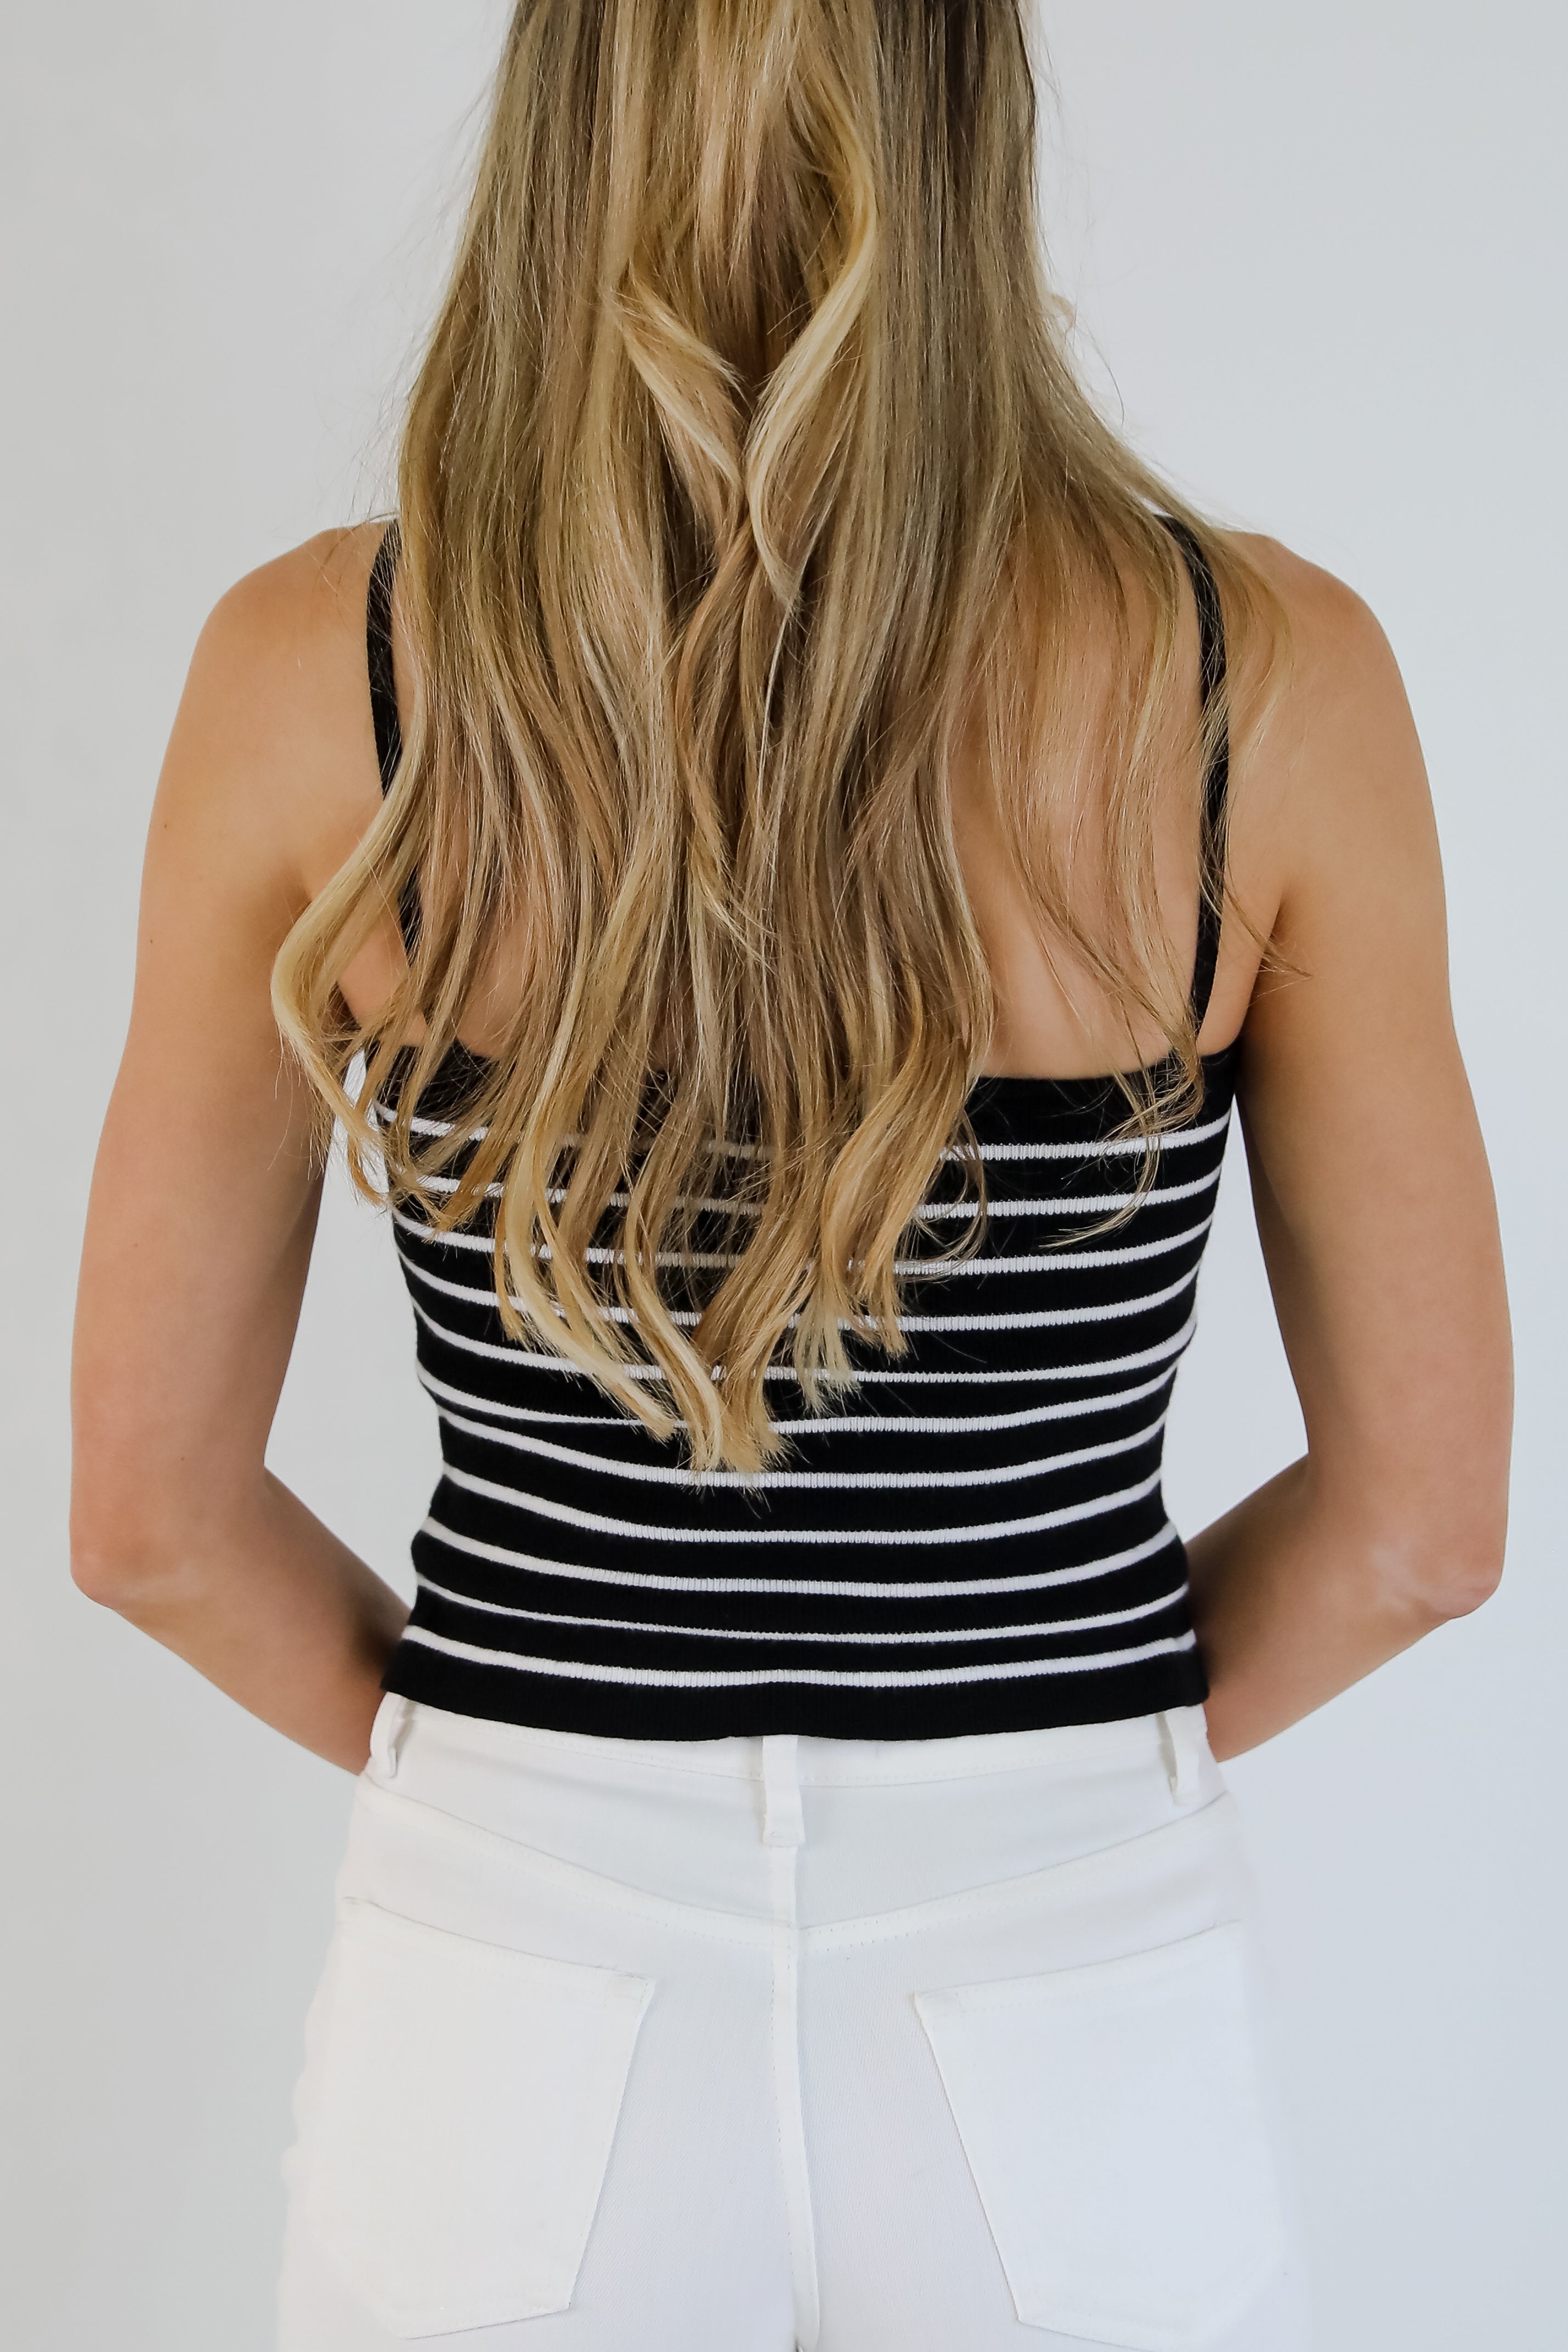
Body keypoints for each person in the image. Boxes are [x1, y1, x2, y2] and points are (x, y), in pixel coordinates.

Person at [69, 4, 1511, 2347]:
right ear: (967, 129)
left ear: (569, 122)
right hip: (1068, 1991)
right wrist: (1054, 1761)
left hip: (510, 1994)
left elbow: (143, 1518)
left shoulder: (320, 677)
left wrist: (522, 1780)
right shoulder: (1260, 686)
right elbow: (1424, 1530)